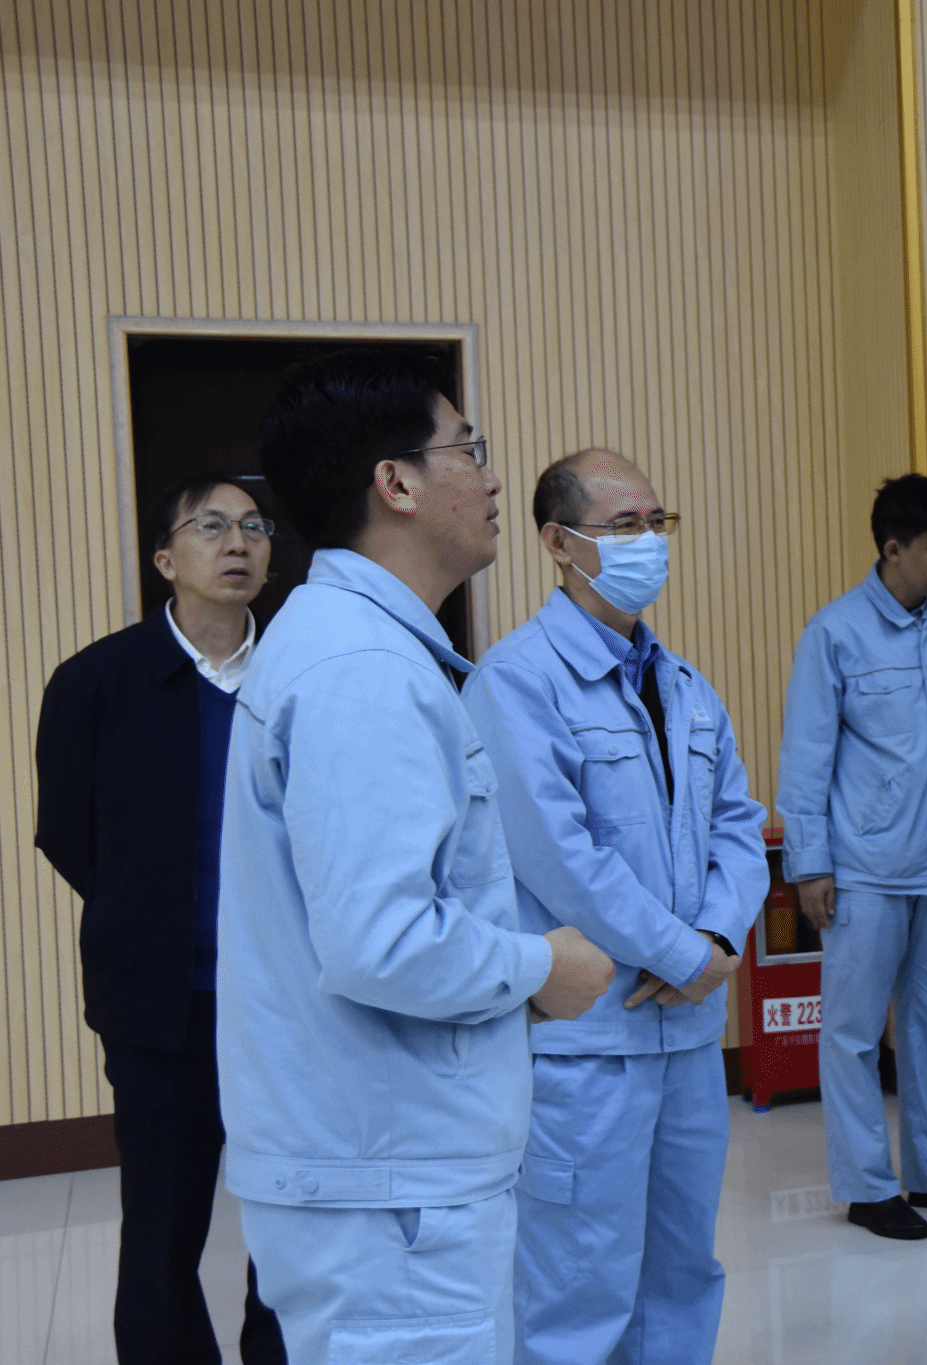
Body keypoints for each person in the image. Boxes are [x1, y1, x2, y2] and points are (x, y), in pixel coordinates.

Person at [216, 351, 614, 1365]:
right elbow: (380, 940)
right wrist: (541, 966)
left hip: (385, 1168)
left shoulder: (354, 646)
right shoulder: (362, 670)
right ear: (394, 482)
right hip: (389, 1187)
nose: (491, 478)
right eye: (468, 450)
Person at [463, 448, 768, 1364]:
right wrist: (685, 955)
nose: (649, 542)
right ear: (559, 543)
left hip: (688, 1037)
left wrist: (716, 935)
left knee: (683, 1273)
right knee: (578, 1289)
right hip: (588, 1046)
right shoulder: (516, 681)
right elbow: (561, 860)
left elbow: (739, 824)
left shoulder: (684, 685)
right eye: (624, 525)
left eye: (656, 523)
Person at [34, 474, 287, 1365]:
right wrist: (155, 912)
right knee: (163, 1226)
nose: (238, 543)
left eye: (254, 526)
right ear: (164, 559)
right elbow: (67, 833)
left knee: (291, 1215)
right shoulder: (96, 680)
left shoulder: (301, 673)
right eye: (211, 526)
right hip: (159, 1005)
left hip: (288, 1001)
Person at [777, 474, 927, 1240]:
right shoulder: (834, 632)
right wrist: (810, 864)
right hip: (863, 870)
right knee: (853, 1032)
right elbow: (806, 756)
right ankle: (868, 1186)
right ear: (893, 549)